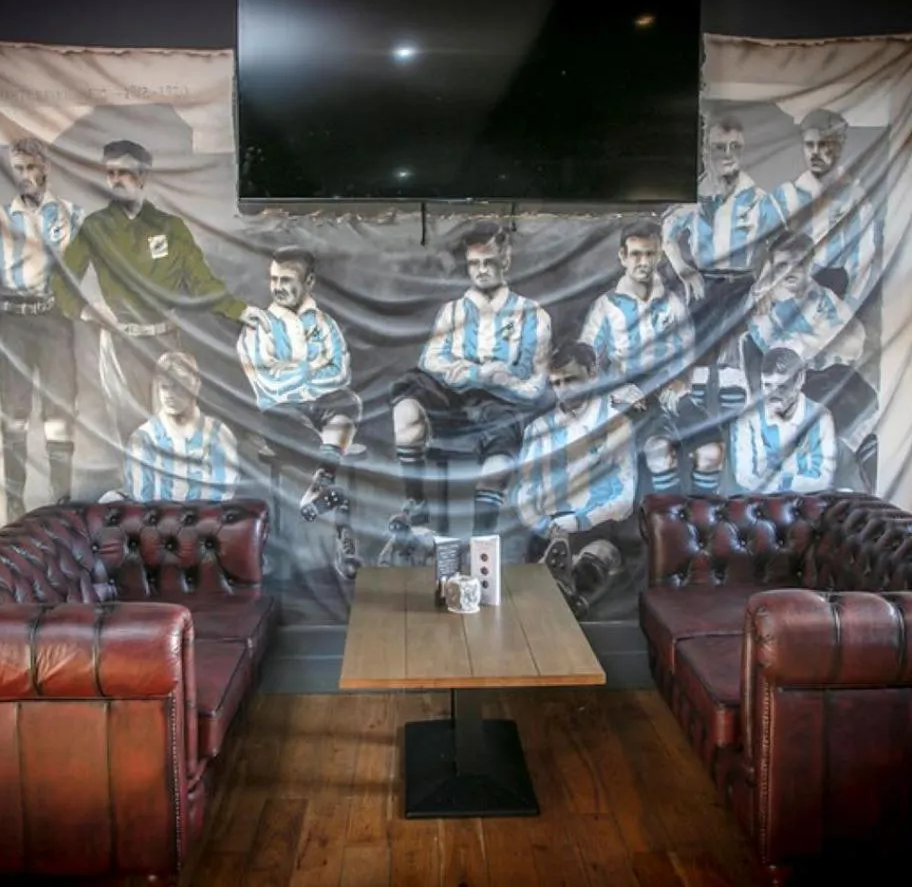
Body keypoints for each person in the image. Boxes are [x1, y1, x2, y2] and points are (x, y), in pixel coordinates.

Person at [51, 139, 266, 441]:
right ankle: (139, 487)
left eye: (124, 172)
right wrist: (88, 311)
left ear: (143, 176)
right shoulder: (95, 228)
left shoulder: (170, 227)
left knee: (174, 427)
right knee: (133, 431)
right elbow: (60, 282)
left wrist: (241, 310)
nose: (115, 181)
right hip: (121, 344)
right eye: (110, 173)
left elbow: (202, 282)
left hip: (166, 341)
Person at [385, 221, 551, 556]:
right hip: (453, 402)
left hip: (502, 406)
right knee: (406, 407)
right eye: (474, 264)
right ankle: (418, 508)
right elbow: (430, 360)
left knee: (496, 466)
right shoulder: (453, 311)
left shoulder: (532, 314)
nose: (481, 270)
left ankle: (481, 546)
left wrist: (501, 379)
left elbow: (534, 387)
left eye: (489, 262)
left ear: (506, 260)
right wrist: (479, 373)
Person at [236, 245, 362, 577]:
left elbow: (340, 372)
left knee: (349, 402)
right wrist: (309, 370)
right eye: (273, 279)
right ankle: (338, 511)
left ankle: (322, 482)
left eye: (287, 279)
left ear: (310, 281)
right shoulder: (258, 325)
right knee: (281, 420)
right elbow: (266, 381)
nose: (277, 287)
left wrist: (293, 371)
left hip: (322, 405)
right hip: (283, 412)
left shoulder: (324, 323)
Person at [579, 218, 725, 495]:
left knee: (711, 452)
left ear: (659, 255)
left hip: (671, 390)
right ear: (623, 256)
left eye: (649, 254)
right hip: (631, 396)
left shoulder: (671, 302)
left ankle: (698, 521)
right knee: (658, 451)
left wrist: (682, 381)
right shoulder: (606, 307)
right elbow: (586, 362)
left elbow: (687, 351)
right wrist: (616, 389)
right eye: (636, 254)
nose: (643, 262)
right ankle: (669, 523)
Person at [661, 112, 782, 421]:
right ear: (706, 150)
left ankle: (736, 425)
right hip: (705, 284)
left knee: (736, 362)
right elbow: (667, 236)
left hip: (743, 284)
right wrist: (685, 270)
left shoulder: (757, 198)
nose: (727, 155)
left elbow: (779, 246)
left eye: (735, 147)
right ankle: (699, 426)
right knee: (697, 361)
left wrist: (764, 285)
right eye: (719, 147)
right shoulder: (694, 195)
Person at [0, 137, 84, 520]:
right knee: (13, 412)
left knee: (60, 408)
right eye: (18, 169)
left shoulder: (72, 214)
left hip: (52, 317)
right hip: (11, 319)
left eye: (31, 168)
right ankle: (14, 499)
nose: (25, 176)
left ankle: (61, 499)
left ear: (44, 167)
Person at [742, 231, 877, 488]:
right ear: (772, 266)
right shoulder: (765, 303)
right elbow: (777, 350)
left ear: (810, 264)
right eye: (782, 265)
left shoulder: (822, 298)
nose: (791, 271)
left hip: (826, 374)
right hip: (788, 381)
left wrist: (812, 342)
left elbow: (854, 341)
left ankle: (847, 466)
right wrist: (820, 341)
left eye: (800, 263)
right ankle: (832, 473)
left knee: (862, 396)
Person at [515, 342, 635, 618]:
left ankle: (564, 584)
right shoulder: (538, 429)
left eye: (571, 380)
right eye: (556, 383)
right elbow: (525, 494)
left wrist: (578, 522)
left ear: (592, 373)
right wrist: (546, 527)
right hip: (548, 531)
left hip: (596, 527)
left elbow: (625, 498)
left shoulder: (617, 424)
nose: (563, 389)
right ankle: (563, 585)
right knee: (563, 560)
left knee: (597, 557)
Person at [771, 108, 883, 308]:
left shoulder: (854, 197)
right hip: (792, 290)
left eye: (822, 145)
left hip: (836, 286)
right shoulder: (788, 195)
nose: (814, 152)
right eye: (809, 145)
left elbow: (863, 255)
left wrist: (850, 302)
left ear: (839, 146)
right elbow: (771, 251)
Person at [120, 350, 240, 502]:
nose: (169, 395)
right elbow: (142, 498)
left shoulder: (219, 434)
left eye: (178, 387)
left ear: (195, 386)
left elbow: (223, 493)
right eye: (164, 387)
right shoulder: (144, 438)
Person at [731, 347, 837, 493]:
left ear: (799, 380)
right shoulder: (748, 419)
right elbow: (746, 476)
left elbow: (823, 478)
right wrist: (792, 482)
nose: (773, 394)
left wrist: (780, 483)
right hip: (761, 506)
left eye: (782, 387)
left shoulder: (820, 417)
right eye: (767, 385)